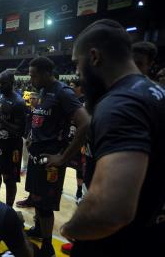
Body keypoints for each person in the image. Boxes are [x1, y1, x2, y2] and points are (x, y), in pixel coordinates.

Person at [60, 19, 165, 257]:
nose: (77, 73)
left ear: (94, 57)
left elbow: (110, 211)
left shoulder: (120, 105)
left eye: (77, 64)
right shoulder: (156, 92)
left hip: (119, 242)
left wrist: (71, 227)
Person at [25, 57, 90, 257]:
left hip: (51, 160)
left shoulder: (63, 92)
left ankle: (47, 246)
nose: (31, 78)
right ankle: (38, 229)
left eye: (34, 75)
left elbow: (85, 124)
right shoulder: (44, 91)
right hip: (37, 156)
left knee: (45, 206)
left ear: (46, 73)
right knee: (36, 200)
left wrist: (62, 158)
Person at [0, 70, 26, 207]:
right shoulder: (0, 98)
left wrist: (0, 118)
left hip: (11, 148)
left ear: (11, 83)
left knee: (9, 179)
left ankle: (8, 208)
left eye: (2, 83)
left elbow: (20, 131)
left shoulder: (19, 102)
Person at [16, 92, 39, 208]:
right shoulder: (27, 110)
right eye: (30, 98)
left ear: (38, 99)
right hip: (26, 136)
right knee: (25, 154)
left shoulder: (40, 111)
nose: (31, 100)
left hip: (36, 140)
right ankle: (25, 167)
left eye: (34, 98)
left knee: (33, 158)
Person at [68, 79, 86, 203]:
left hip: (81, 140)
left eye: (72, 86)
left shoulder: (86, 102)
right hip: (68, 137)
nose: (70, 88)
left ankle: (80, 190)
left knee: (80, 168)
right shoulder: (69, 100)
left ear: (79, 88)